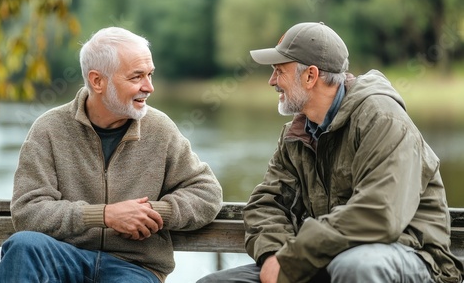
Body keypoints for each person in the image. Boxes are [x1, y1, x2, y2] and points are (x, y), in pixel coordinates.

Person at [197, 22, 463, 283]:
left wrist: (293, 259)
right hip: (325, 258)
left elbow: (379, 214)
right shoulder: (297, 133)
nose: (271, 81)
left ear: (311, 76)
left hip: (415, 259)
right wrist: (273, 256)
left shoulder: (382, 119)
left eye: (279, 71)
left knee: (356, 267)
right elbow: (266, 204)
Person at [0, 27, 223, 283]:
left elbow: (207, 193)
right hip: (65, 257)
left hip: (135, 268)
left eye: (150, 74)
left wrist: (153, 212)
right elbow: (28, 211)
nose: (149, 87)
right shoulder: (49, 129)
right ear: (97, 81)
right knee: (23, 245)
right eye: (137, 77)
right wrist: (104, 215)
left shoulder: (160, 128)